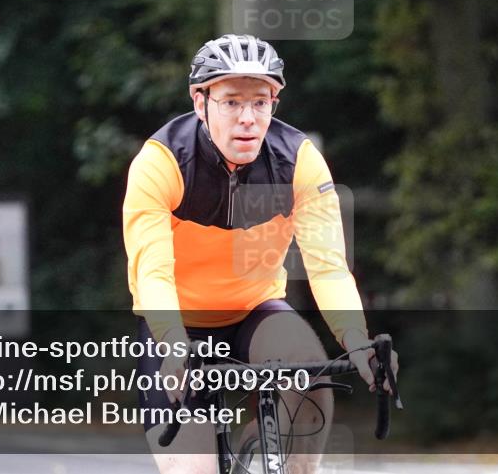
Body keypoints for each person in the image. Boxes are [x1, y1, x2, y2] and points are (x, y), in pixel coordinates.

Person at [123, 34, 398, 474]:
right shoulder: (162, 162)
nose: (248, 119)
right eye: (231, 102)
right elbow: (151, 271)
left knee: (310, 373)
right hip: (177, 321)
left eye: (261, 102)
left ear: (274, 103)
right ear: (200, 103)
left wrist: (358, 341)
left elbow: (328, 266)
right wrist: (173, 341)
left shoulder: (298, 161)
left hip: (257, 311)